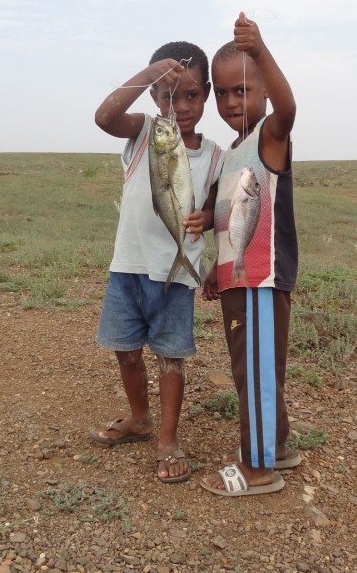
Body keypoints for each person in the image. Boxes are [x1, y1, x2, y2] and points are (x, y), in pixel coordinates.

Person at [89, 41, 223, 484]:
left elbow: (214, 210)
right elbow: (104, 117)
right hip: (127, 266)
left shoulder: (215, 156)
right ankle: (140, 418)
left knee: (170, 359)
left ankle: (167, 439)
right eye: (169, 95)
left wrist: (206, 218)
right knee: (125, 351)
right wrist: (147, 74)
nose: (180, 106)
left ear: (205, 94)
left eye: (191, 96)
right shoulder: (144, 131)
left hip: (175, 277)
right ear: (153, 96)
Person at [199, 12, 298, 496]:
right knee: (254, 366)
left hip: (260, 281)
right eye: (223, 92)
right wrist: (216, 271)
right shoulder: (234, 150)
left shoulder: (269, 138)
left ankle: (258, 468)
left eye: (243, 90)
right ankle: (277, 444)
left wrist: (259, 51)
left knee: (254, 369)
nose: (232, 101)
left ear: (263, 92)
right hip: (238, 278)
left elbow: (288, 108)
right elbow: (228, 218)